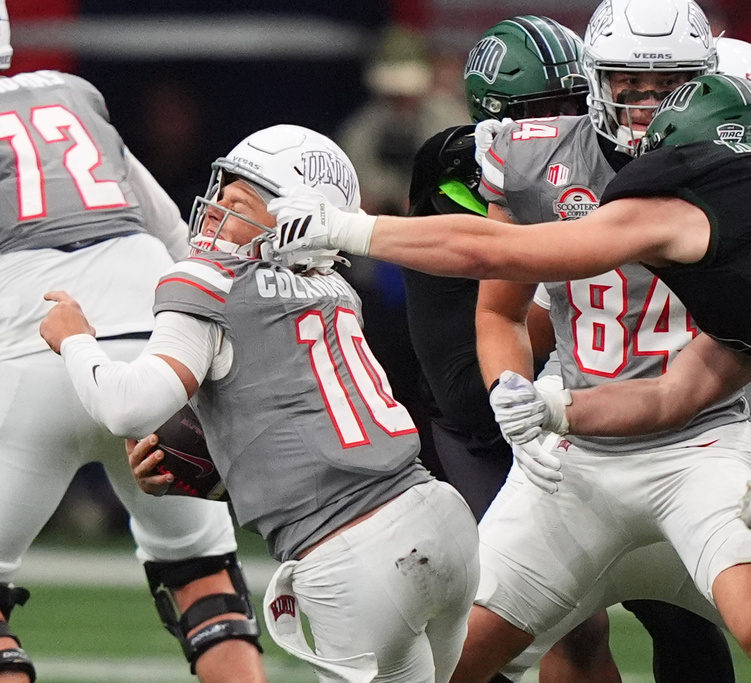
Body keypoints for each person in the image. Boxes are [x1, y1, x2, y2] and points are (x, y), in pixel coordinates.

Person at [267, 72, 751, 680]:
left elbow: (497, 252)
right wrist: (559, 410)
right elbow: (676, 392)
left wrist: (350, 227)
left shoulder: (687, 202)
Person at [459, 3, 751, 681]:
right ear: (594, 80)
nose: (644, 104)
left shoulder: (750, 170)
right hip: (576, 455)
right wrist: (510, 391)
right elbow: (499, 307)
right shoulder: (535, 156)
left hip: (708, 446)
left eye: (666, 85)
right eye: (628, 84)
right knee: (447, 659)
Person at [39, 125, 480, 683]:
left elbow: (129, 408)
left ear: (299, 219)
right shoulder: (337, 291)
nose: (216, 214)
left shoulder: (210, 281)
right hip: (440, 519)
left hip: (352, 555)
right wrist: (211, 474)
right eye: (221, 195)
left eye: (240, 203)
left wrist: (75, 340)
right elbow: (301, 427)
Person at [405, 15, 744, 683]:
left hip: (596, 411)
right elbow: (481, 363)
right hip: (490, 422)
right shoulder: (471, 173)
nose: (563, 123)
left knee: (683, 614)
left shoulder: (625, 159)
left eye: (573, 103)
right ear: (494, 119)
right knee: (558, 623)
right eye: (542, 111)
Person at [0, 5, 265, 681]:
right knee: (204, 576)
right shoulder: (71, 95)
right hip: (155, 339)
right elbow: (172, 231)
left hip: (36, 349)